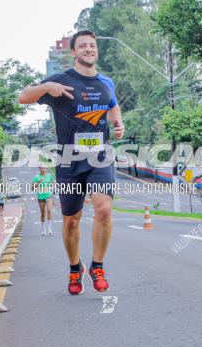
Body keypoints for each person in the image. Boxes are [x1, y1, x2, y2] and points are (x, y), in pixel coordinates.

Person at [18, 30, 125, 295]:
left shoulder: (105, 82)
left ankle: (97, 266)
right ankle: (75, 268)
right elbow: (23, 96)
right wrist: (46, 88)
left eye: (93, 45)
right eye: (83, 46)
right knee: (71, 220)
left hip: (99, 156)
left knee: (103, 210)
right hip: (68, 161)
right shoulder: (61, 80)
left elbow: (112, 106)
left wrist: (117, 122)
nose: (89, 49)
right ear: (74, 52)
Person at [32, 165, 55, 235]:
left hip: (49, 195)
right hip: (41, 196)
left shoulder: (49, 175)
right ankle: (43, 228)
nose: (43, 169)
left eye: (44, 168)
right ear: (39, 168)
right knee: (43, 213)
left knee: (49, 210)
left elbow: (54, 181)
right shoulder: (36, 177)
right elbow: (32, 188)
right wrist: (38, 183)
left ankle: (49, 228)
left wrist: (52, 185)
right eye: (42, 168)